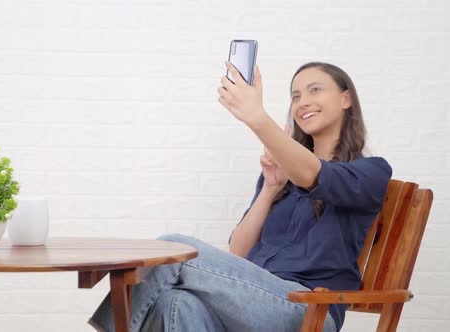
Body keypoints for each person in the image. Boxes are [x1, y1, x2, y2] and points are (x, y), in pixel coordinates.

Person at [88, 61, 392, 332]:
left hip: (309, 309)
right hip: (258, 300)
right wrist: (271, 189)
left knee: (174, 248)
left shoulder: (370, 172)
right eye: (296, 95)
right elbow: (238, 250)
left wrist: (256, 118)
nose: (303, 102)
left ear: (345, 98)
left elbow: (313, 175)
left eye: (315, 90)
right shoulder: (281, 174)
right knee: (176, 302)